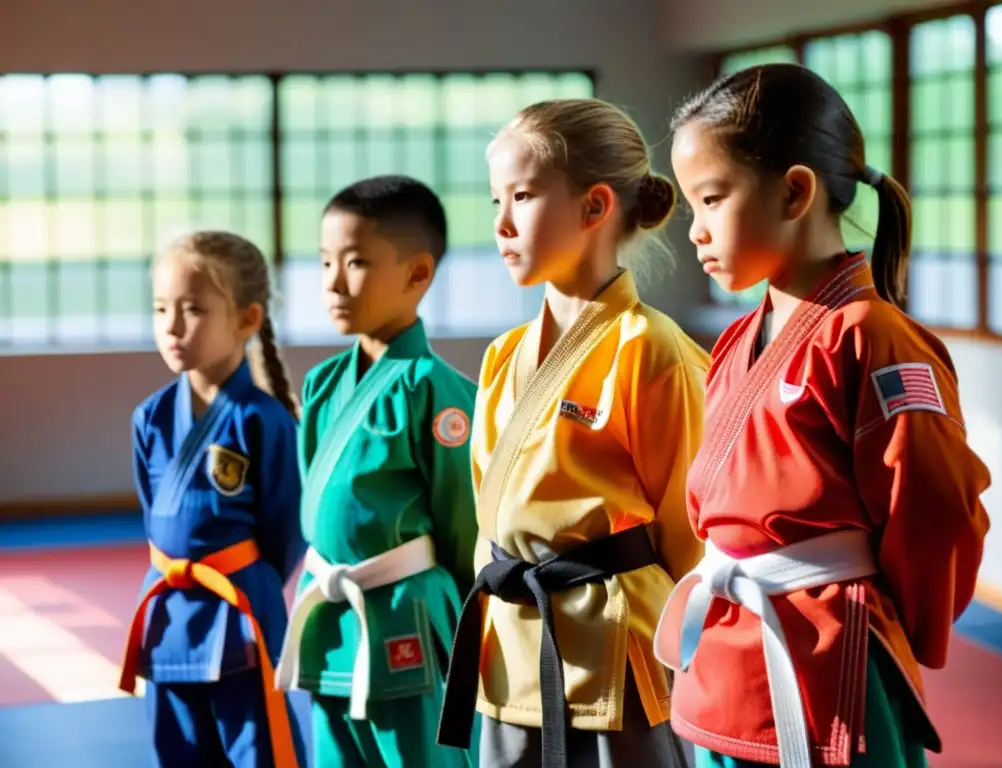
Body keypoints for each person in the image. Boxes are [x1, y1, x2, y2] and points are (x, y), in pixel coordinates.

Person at [654, 63, 992, 768]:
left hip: (826, 664)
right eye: (691, 208)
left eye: (711, 200)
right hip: (728, 656)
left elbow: (935, 513)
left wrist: (897, 626)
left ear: (795, 191)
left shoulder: (874, 336)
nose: (696, 232)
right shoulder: (737, 342)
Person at [436, 97, 708, 768]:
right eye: (496, 199)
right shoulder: (503, 355)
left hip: (616, 662)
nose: (500, 224)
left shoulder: (651, 349)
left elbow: (689, 539)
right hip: (512, 651)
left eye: (522, 197)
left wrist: (686, 664)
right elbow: (488, 518)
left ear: (594, 209)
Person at [273, 175, 479, 768]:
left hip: (404, 618)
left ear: (418, 274)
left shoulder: (438, 393)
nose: (334, 284)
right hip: (329, 614)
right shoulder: (320, 385)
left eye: (356, 262)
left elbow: (462, 531)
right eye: (325, 263)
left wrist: (467, 640)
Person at [119, 230, 306, 767]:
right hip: (167, 610)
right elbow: (156, 514)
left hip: (239, 613)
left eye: (193, 309)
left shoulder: (264, 421)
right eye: (160, 309)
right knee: (178, 751)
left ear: (247, 320)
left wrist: (251, 581)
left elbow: (284, 533)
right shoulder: (150, 418)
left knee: (259, 751)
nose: (172, 327)